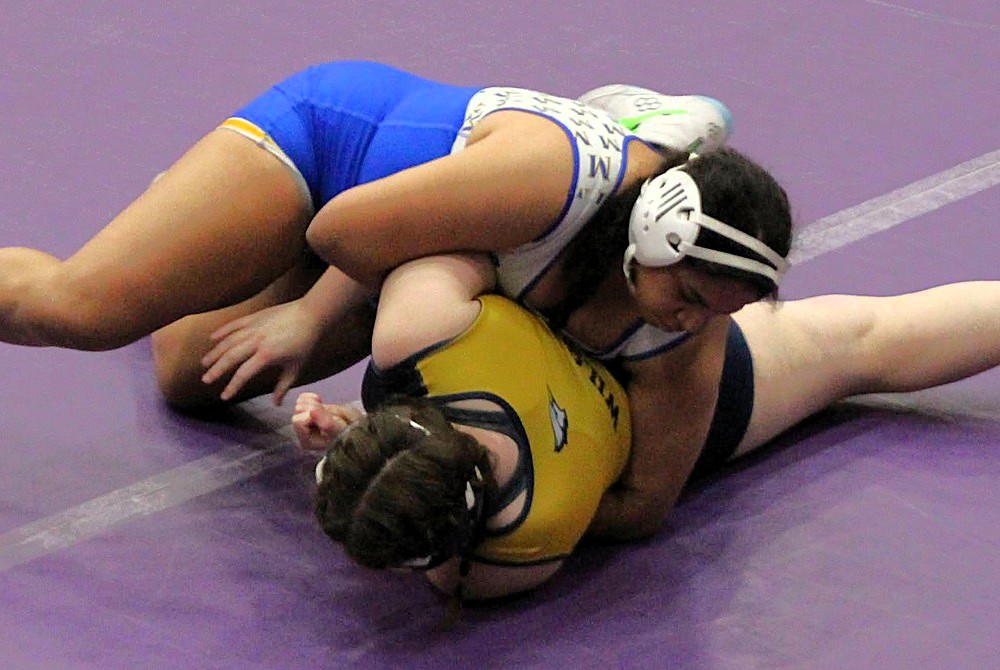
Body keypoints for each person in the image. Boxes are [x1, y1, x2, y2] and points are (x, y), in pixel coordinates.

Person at [0, 60, 791, 537]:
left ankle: (204, 234)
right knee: (83, 311)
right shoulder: (555, 182)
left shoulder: (685, 327)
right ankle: (214, 218)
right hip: (334, 152)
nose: (693, 322)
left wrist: (489, 496)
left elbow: (643, 505)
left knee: (190, 377)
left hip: (412, 245)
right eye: (690, 295)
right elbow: (342, 230)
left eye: (720, 312)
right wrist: (306, 317)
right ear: (653, 236)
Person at [298, 251, 1000, 609]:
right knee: (863, 336)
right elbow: (446, 240)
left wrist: (367, 449)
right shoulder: (419, 332)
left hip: (660, 420)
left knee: (865, 347)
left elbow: (452, 524)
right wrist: (362, 436)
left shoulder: (506, 558)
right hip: (646, 352)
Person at [300, 252, 632, 611]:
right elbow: (480, 243)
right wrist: (361, 440)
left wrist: (361, 442)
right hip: (619, 299)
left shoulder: (498, 554)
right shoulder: (418, 331)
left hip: (646, 400)